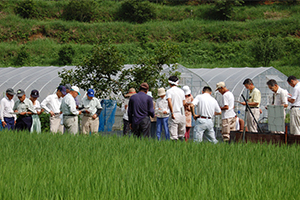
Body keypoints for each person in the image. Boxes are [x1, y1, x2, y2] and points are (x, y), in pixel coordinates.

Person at [166, 76, 186, 141]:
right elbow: (184, 103)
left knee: (173, 135)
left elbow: (169, 101)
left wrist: (172, 112)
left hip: (174, 113)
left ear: (169, 83)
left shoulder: (169, 91)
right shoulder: (181, 91)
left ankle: (174, 148)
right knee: (181, 134)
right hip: (182, 114)